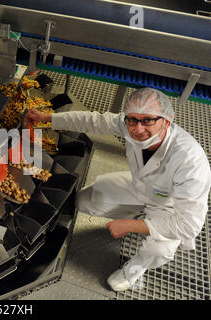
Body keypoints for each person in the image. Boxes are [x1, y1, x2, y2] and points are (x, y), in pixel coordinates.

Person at [27, 87, 211, 292]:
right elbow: (92, 121)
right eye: (132, 120)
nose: (138, 129)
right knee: (85, 201)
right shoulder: (129, 125)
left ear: (166, 121)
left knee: (158, 249)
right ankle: (139, 215)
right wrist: (48, 118)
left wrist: (131, 225)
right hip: (141, 187)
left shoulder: (190, 162)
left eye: (148, 120)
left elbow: (189, 225)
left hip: (170, 208)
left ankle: (133, 271)